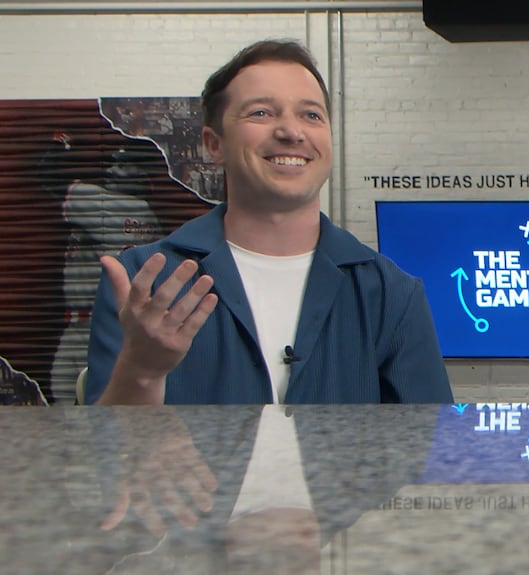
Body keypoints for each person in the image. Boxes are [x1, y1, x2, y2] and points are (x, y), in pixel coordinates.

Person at [86, 39, 453, 405]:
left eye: (311, 115)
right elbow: (105, 441)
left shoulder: (391, 294)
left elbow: (429, 439)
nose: (292, 132)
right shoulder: (142, 285)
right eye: (261, 113)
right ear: (213, 144)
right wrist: (141, 372)